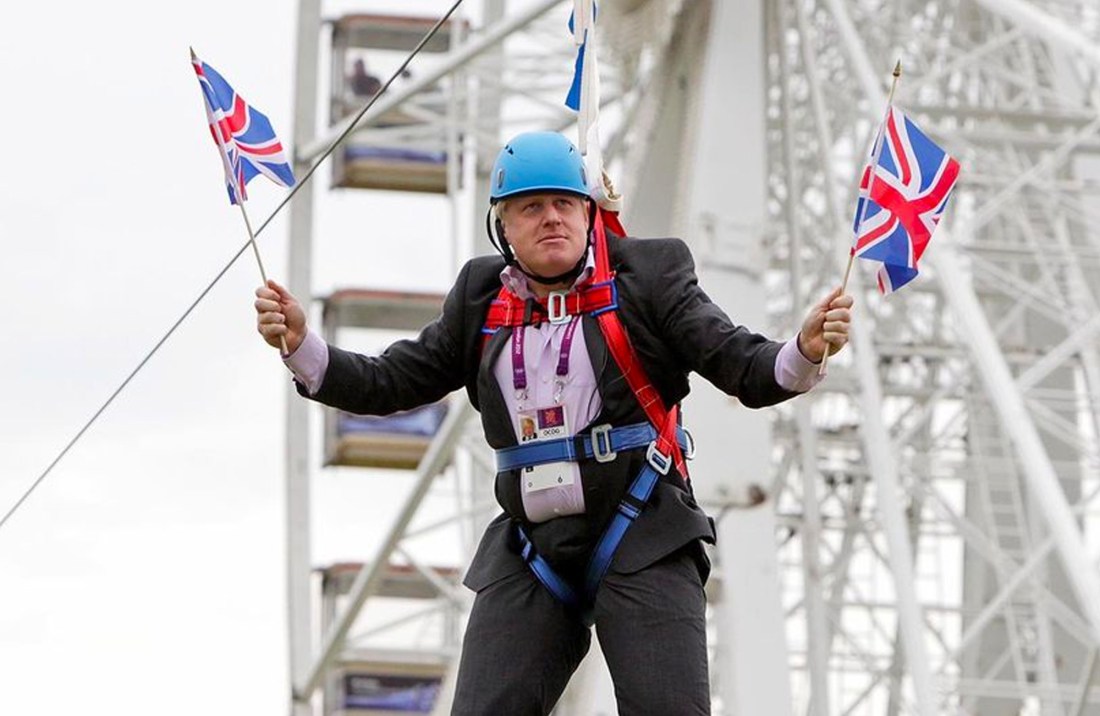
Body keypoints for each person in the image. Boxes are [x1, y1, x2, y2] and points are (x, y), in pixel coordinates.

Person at [255, 131, 853, 715]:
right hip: (532, 544)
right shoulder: (480, 298)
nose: (552, 219)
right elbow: (390, 380)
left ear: (589, 213)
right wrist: (303, 346)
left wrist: (802, 350)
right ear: (503, 225)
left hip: (642, 529)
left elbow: (739, 363)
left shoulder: (649, 275)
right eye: (531, 207)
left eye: (565, 204)